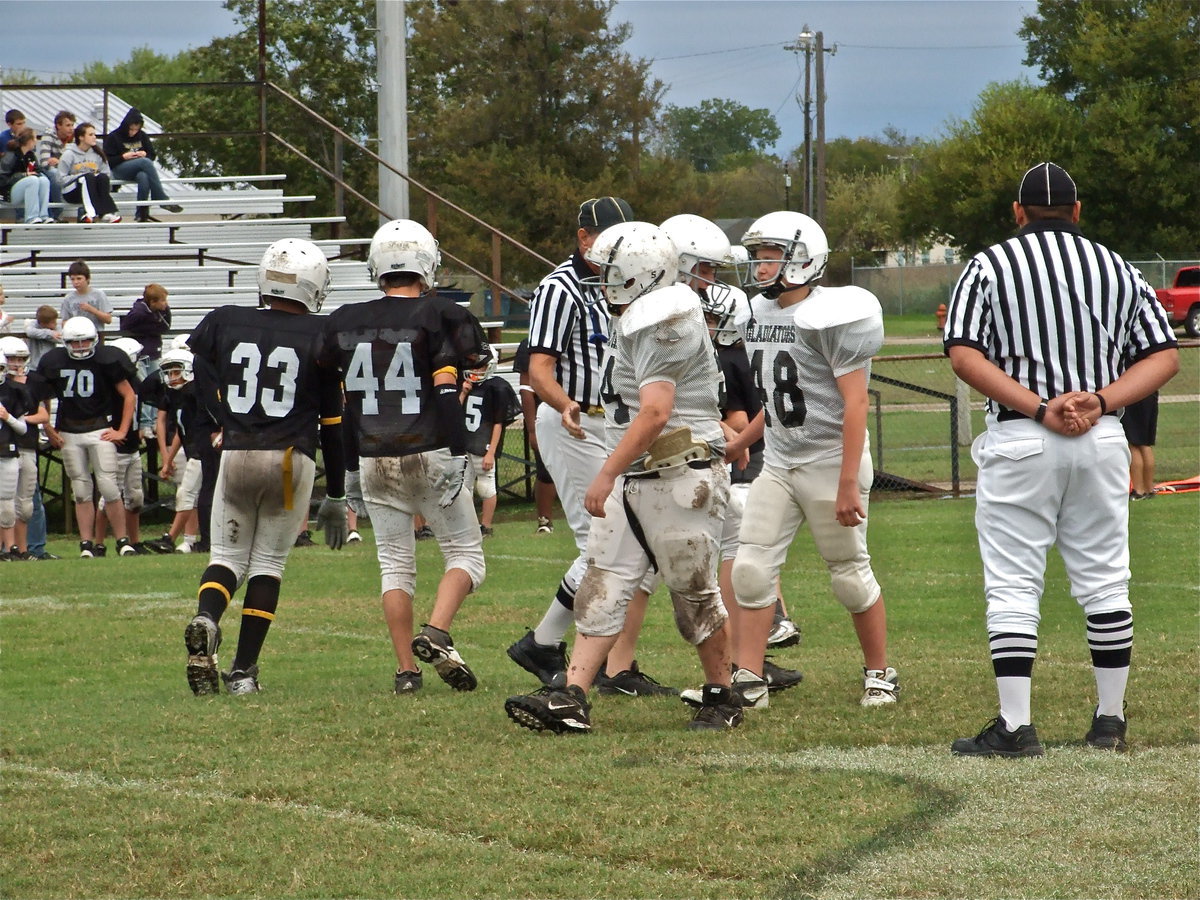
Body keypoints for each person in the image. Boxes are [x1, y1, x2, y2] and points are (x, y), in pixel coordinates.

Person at [944, 161, 1179, 757]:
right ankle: (1109, 719)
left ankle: (1017, 725)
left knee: (1014, 584)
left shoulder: (988, 264)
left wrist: (1041, 406)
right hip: (1100, 438)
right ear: (1077, 211)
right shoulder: (1118, 267)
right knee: (1105, 580)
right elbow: (1163, 358)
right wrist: (1098, 401)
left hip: (1022, 435)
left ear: (1018, 212)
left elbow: (964, 354)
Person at [505, 221, 739, 733]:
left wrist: (605, 474)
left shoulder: (666, 316)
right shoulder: (638, 311)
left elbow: (656, 412)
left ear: (640, 273)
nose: (601, 279)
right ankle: (572, 695)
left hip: (679, 472)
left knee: (692, 595)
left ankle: (722, 694)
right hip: (640, 473)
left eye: (610, 270)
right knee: (603, 582)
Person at [724, 211, 897, 710]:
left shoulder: (833, 314)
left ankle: (880, 673)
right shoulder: (753, 313)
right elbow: (782, 403)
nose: (758, 265)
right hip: (779, 460)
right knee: (751, 570)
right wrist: (742, 444)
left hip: (828, 459)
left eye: (769, 254)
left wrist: (848, 482)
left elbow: (855, 402)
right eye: (756, 255)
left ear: (802, 258)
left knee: (848, 573)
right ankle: (750, 678)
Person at [507, 197, 675, 697]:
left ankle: (582, 655)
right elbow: (538, 368)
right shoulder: (560, 287)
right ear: (583, 238)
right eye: (606, 236)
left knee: (632, 544)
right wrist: (563, 405)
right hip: (576, 421)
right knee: (604, 544)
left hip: (616, 425)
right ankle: (559, 649)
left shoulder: (628, 281)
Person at [321, 219, 488, 695]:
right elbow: (447, 388)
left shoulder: (346, 320)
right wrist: (459, 452)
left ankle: (406, 673)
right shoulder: (442, 315)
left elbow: (341, 401)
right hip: (430, 447)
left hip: (373, 453)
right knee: (466, 556)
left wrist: (350, 467)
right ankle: (435, 631)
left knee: (394, 565)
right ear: (427, 264)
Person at [182, 238, 347, 696]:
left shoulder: (226, 319)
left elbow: (198, 367)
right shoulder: (321, 334)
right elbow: (332, 425)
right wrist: (336, 494)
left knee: (226, 558)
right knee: (268, 564)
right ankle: (242, 673)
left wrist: (223, 416)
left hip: (236, 453)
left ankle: (207, 618)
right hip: (292, 461)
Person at [655, 214, 803, 710]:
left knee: (739, 543)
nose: (712, 289)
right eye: (706, 272)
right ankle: (739, 664)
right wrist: (729, 437)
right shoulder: (665, 332)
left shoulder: (724, 346)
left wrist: (735, 440)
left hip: (709, 457)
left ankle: (747, 660)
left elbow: (737, 410)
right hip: (677, 459)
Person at [29, 316, 138, 557]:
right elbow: (40, 397)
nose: (80, 347)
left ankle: (122, 541)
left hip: (100, 428)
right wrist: (49, 429)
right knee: (81, 491)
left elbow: (129, 395)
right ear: (65, 342)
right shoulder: (53, 361)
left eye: (85, 341)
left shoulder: (107, 358)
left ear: (94, 340)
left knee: (109, 487)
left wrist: (121, 430)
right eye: (75, 343)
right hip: (69, 431)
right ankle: (86, 544)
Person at [92, 337, 149, 554]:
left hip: (131, 447)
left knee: (135, 497)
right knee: (108, 498)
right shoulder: (113, 384)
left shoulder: (133, 382)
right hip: (116, 447)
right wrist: (119, 432)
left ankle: (134, 542)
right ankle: (98, 544)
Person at [459, 342, 520, 536]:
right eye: (474, 365)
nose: (475, 370)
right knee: (463, 488)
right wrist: (463, 392)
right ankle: (467, 526)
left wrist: (491, 452)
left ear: (491, 365)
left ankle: (485, 526)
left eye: (481, 366)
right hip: (464, 443)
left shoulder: (497, 387)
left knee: (486, 486)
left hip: (482, 443)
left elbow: (498, 422)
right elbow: (452, 412)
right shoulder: (465, 385)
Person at [0, 336, 51, 559]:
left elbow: (43, 414)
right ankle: (7, 547)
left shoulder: (30, 384)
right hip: (4, 448)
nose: (17, 363)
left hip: (25, 444)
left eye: (21, 358)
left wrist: (15, 418)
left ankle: (22, 549)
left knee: (25, 504)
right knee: (5, 501)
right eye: (12, 358)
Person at [511, 338, 557, 534]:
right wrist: (532, 429)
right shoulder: (530, 342)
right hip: (545, 413)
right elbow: (526, 389)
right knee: (546, 470)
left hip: (580, 409)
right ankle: (544, 520)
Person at [102, 108, 181, 222]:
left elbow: (151, 155)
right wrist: (124, 157)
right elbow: (109, 161)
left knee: (144, 177)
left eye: (136, 130)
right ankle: (160, 197)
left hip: (138, 169)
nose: (133, 132)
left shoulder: (142, 136)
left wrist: (144, 154)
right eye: (131, 129)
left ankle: (141, 213)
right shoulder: (114, 137)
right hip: (119, 169)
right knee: (146, 162)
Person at [120, 282, 172, 433]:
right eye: (162, 301)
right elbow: (126, 328)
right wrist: (149, 328)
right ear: (152, 302)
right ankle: (145, 424)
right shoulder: (138, 313)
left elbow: (165, 326)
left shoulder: (161, 312)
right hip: (142, 356)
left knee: (157, 388)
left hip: (155, 353)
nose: (165, 304)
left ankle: (156, 421)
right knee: (145, 388)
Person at [58, 122, 121, 223]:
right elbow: (61, 180)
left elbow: (107, 174)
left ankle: (106, 213)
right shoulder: (68, 154)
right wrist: (80, 176)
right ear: (81, 137)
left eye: (94, 135)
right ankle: (91, 213)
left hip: (93, 191)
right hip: (72, 192)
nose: (94, 137)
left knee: (102, 177)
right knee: (87, 177)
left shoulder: (98, 154)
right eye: (91, 135)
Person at [1, 128, 53, 224]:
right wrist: (24, 175)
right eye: (35, 138)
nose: (36, 141)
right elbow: (3, 180)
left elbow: (37, 170)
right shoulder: (11, 155)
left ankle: (44, 215)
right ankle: (31, 217)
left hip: (24, 189)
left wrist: (40, 174)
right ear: (29, 140)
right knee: (32, 180)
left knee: (44, 180)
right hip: (8, 192)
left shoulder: (30, 155)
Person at [36, 110, 76, 221]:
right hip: (50, 171)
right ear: (58, 126)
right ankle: (57, 212)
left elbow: (76, 163)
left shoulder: (75, 137)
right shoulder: (48, 135)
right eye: (68, 125)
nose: (71, 128)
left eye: (72, 125)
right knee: (54, 174)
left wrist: (59, 161)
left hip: (68, 170)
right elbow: (45, 162)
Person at [1123, 392, 1160, 500]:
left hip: (1134, 395)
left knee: (1134, 443)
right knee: (1145, 443)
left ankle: (1138, 490)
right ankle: (1149, 489)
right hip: (1150, 394)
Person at [61, 260, 113, 333]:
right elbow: (64, 322)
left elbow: (108, 319)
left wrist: (92, 310)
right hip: (76, 335)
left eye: (79, 278)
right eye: (72, 279)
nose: (75, 282)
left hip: (96, 335)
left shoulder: (98, 295)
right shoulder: (68, 298)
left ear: (87, 279)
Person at [25, 305, 61, 371]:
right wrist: (49, 333)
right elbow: (30, 332)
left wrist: (43, 334)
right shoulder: (34, 324)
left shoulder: (56, 327)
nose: (55, 323)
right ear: (42, 323)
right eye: (53, 322)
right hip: (33, 366)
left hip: (49, 365)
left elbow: (61, 338)